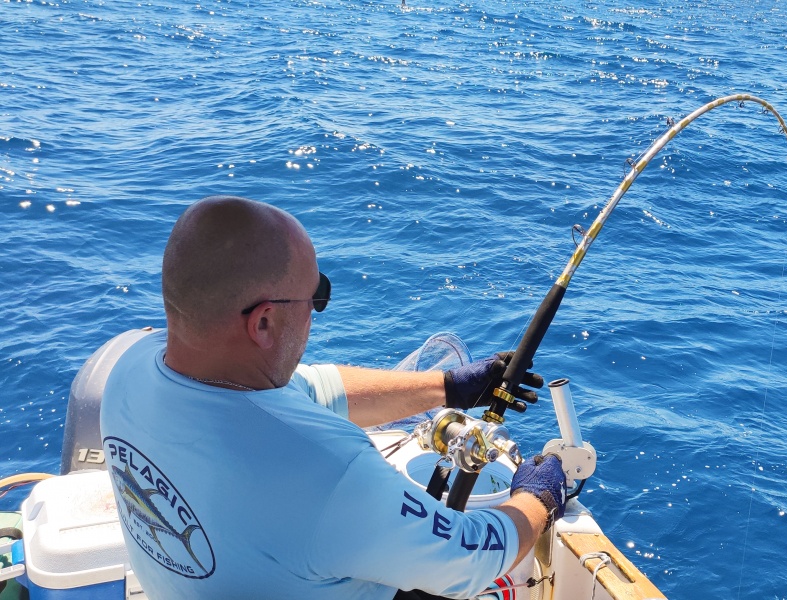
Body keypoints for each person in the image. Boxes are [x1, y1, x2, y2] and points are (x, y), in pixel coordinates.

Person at [100, 195, 567, 600]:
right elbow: (471, 560)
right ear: (263, 322)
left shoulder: (128, 365)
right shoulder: (327, 472)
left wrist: (446, 387)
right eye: (315, 297)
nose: (316, 313)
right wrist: (539, 495)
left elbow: (311, 387)